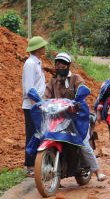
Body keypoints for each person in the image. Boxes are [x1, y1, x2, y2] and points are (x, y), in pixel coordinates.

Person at [44, 52, 105, 182]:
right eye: (58, 66)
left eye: (63, 65)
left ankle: (98, 172)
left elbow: (82, 89)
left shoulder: (76, 78)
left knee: (83, 144)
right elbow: (46, 97)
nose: (60, 68)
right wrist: (42, 103)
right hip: (58, 119)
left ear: (68, 66)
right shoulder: (53, 81)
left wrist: (77, 99)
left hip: (76, 119)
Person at [21, 36, 47, 177]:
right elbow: (29, 88)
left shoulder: (37, 63)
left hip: (38, 103)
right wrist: (35, 106)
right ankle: (29, 165)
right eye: (43, 46)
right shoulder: (30, 64)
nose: (45, 48)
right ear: (37, 48)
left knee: (39, 133)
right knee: (32, 134)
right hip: (33, 105)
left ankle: (36, 163)